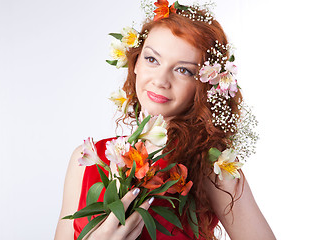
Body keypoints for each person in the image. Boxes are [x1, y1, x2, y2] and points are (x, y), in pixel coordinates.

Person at [55, 1, 276, 239]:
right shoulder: (87, 158)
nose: (161, 79)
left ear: (202, 86)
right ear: (136, 62)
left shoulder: (211, 166)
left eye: (183, 70)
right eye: (152, 59)